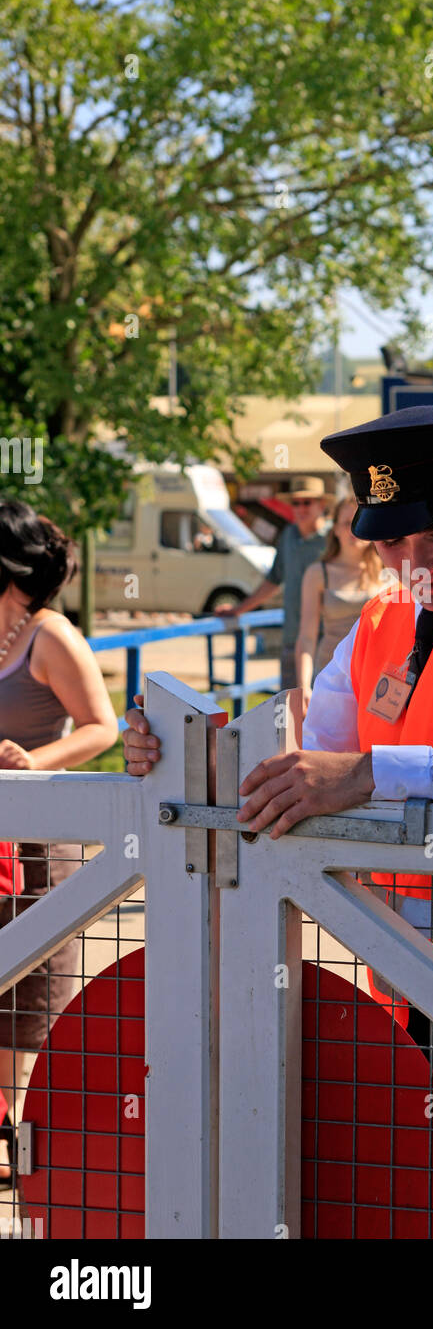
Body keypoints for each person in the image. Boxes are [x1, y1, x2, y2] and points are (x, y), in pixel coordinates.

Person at [123, 402, 433, 1240]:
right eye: (392, 543)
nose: (415, 562)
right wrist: (173, 754)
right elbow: (302, 764)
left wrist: (375, 773)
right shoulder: (378, 623)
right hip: (408, 987)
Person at [0, 502, 118, 1184]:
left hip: (37, 848)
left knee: (22, 1010)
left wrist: (34, 761)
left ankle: (23, 1151)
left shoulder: (50, 636)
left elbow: (99, 726)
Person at [216, 475, 329, 688]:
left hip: (328, 640)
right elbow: (273, 580)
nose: (301, 508)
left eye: (307, 502)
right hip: (293, 638)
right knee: (288, 712)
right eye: (296, 503)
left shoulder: (334, 538)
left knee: (325, 714)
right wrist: (239, 609)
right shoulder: (288, 535)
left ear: (321, 504)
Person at [295, 496, 383, 710]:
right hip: (331, 677)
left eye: (361, 520)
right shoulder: (317, 573)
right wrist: (304, 686)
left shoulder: (390, 572)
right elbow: (307, 636)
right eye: (346, 523)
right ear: (334, 529)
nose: (354, 529)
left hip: (377, 678)